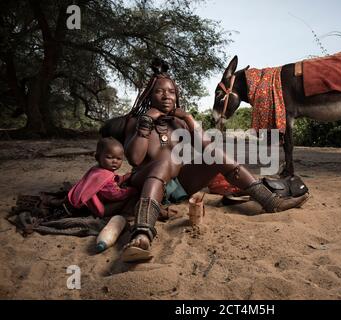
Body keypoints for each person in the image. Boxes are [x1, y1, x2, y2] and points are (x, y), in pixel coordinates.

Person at [105, 59, 309, 262]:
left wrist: (189, 120)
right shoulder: (136, 121)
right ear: (149, 95)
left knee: (216, 154)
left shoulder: (179, 122)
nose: (167, 96)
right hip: (147, 186)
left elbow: (207, 147)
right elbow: (134, 158)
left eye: (171, 92)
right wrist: (146, 123)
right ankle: (142, 234)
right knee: (162, 163)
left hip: (179, 188)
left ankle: (270, 200)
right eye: (160, 91)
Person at [67, 137, 137, 218]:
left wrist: (123, 178)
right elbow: (114, 195)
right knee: (130, 198)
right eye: (109, 157)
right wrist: (130, 191)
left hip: (85, 203)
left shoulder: (96, 169)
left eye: (119, 158)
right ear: (97, 157)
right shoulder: (105, 176)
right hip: (95, 209)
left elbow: (110, 182)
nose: (115, 161)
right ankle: (125, 216)